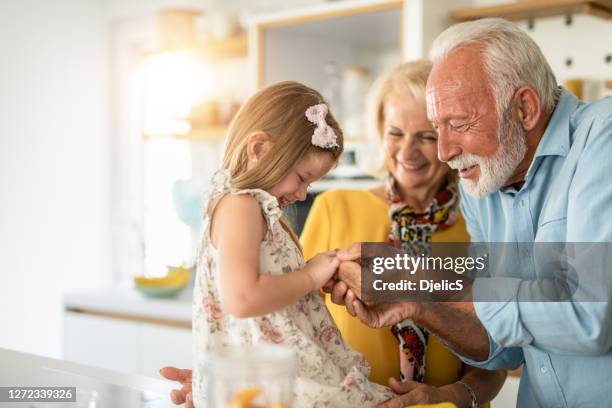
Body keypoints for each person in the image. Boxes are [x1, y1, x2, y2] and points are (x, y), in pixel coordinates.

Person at [331, 18, 612, 408]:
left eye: (458, 124)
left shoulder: (603, 138)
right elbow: (503, 346)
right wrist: (419, 304)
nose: (444, 152)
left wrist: (423, 278)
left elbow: (590, 315)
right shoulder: (482, 184)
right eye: (437, 128)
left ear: (525, 108)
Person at [300, 60, 505, 407]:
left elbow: (498, 357)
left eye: (426, 136)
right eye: (395, 133)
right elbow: (287, 324)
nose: (408, 152)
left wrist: (447, 396)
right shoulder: (335, 208)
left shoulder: (482, 225)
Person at [184, 81, 400, 407]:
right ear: (258, 149)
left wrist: (311, 278)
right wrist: (310, 276)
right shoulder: (241, 205)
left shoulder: (254, 209)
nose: (302, 194)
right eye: (302, 178)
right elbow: (243, 298)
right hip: (270, 381)